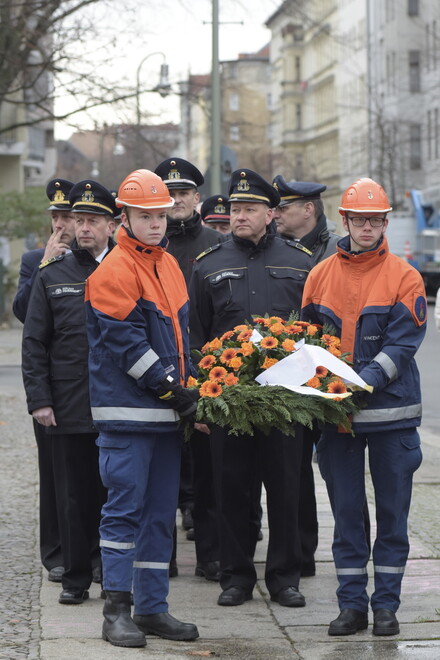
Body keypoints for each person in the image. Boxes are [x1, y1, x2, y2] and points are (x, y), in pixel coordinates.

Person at [301, 177, 426, 636]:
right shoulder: (320, 275)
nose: (367, 227)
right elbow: (306, 342)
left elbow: (402, 345)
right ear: (346, 220)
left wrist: (358, 383)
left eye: (375, 220)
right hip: (339, 419)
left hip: (390, 418)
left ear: (384, 222)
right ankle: (351, 605)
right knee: (347, 514)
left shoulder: (404, 276)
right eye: (360, 219)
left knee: (393, 515)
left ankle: (387, 606)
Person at [85, 169, 200, 648]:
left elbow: (181, 340)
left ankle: (152, 607)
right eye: (145, 215)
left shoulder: (168, 265)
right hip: (129, 415)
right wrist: (173, 388)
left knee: (157, 517)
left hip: (163, 416)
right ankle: (116, 611)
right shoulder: (113, 269)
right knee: (124, 512)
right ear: (124, 217)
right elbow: (126, 345)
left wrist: (190, 387)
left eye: (160, 214)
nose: (156, 223)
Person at [189, 168, 313, 607]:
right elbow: (195, 336)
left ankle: (284, 578)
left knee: (285, 491)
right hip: (230, 402)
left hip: (284, 401)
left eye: (249, 209)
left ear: (271, 214)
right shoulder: (208, 265)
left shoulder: (300, 262)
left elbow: (316, 331)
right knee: (232, 491)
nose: (239, 216)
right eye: (235, 209)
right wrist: (202, 400)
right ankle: (236, 576)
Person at [22, 180, 117, 605]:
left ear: (112, 225)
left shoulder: (125, 269)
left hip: (118, 403)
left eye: (92, 220)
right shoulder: (52, 273)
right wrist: (39, 400)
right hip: (68, 403)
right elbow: (34, 341)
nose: (83, 228)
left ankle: (108, 569)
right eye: (78, 220)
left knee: (114, 492)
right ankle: (76, 577)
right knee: (73, 495)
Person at [154, 157, 226, 574]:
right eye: (171, 194)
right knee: (162, 471)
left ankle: (212, 556)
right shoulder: (151, 244)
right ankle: (161, 558)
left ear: (197, 198)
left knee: (208, 471)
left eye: (184, 193)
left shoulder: (214, 245)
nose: (177, 200)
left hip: (204, 371)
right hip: (160, 373)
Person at [272, 177, 340, 577]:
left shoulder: (333, 251)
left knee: (331, 470)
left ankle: (313, 550)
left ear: (308, 210)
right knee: (295, 467)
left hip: (328, 375)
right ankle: (301, 551)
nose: (277, 214)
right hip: (293, 375)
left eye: (285, 207)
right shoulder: (289, 249)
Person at [13, 178, 75, 583]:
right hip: (52, 382)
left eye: (67, 216)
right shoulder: (34, 258)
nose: (60, 224)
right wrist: (44, 266)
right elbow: (22, 311)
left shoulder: (100, 259)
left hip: (87, 381)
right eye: (55, 216)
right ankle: (55, 552)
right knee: (53, 474)